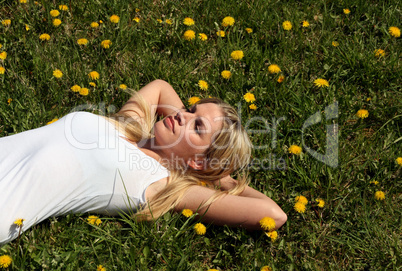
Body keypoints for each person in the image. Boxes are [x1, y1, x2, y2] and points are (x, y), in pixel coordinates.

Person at [0, 80, 287, 245]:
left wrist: (218, 177)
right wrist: (191, 133)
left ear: (201, 162)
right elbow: (161, 88)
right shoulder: (129, 126)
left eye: (196, 127)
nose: (181, 116)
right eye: (189, 110)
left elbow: (274, 214)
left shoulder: (159, 185)